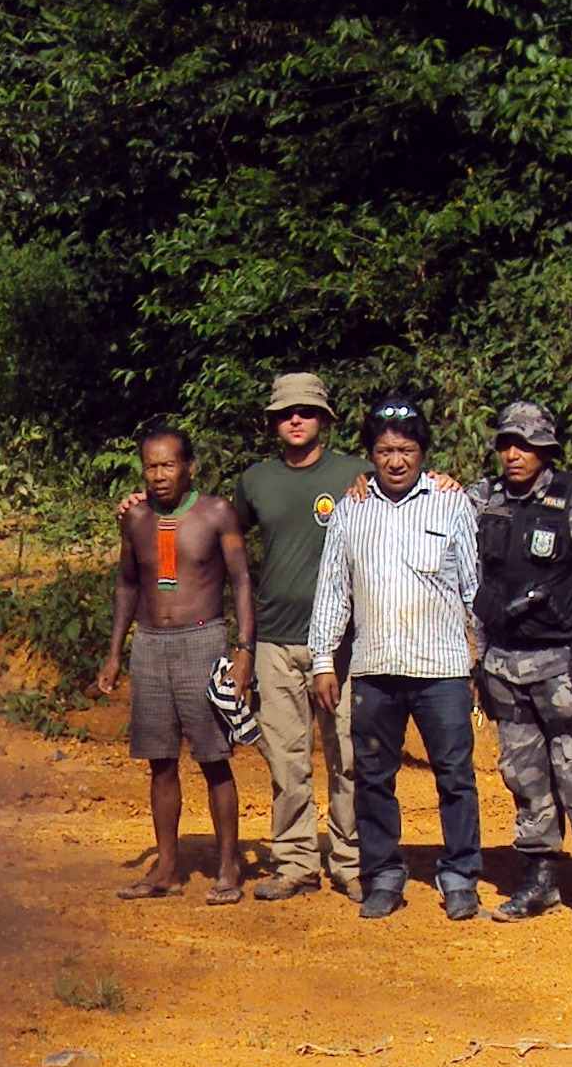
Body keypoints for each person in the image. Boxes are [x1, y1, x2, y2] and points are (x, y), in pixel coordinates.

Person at [309, 397, 482, 920]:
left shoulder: (452, 505)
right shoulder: (351, 510)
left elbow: (474, 588)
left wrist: (485, 661)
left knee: (454, 775)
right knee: (374, 777)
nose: (396, 460)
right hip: (375, 668)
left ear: (423, 452)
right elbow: (333, 591)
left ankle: (460, 876)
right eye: (385, 451)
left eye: (406, 450)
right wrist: (322, 660)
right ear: (371, 455)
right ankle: (382, 874)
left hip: (443, 669)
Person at [95, 425, 256, 903]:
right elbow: (127, 585)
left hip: (202, 640)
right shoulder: (136, 518)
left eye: (169, 465)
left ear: (189, 467)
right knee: (159, 762)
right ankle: (167, 869)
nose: (160, 475)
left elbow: (242, 582)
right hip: (149, 645)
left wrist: (244, 651)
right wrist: (114, 652)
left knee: (213, 758)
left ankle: (228, 865)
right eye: (151, 466)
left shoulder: (216, 513)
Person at [231, 375, 368, 899]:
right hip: (274, 642)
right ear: (272, 421)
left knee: (348, 757)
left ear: (325, 420)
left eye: (307, 412)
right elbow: (222, 537)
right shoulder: (255, 481)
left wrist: (444, 481)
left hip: (343, 644)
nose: (296, 420)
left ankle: (350, 862)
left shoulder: (356, 474)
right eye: (287, 412)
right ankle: (295, 862)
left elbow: (409, 496)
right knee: (287, 761)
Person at [468, 402, 572, 920]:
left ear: (546, 450)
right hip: (504, 662)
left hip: (563, 659)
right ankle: (540, 874)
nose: (514, 454)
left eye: (525, 445)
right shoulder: (485, 498)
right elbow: (432, 497)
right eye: (506, 443)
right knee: (524, 775)